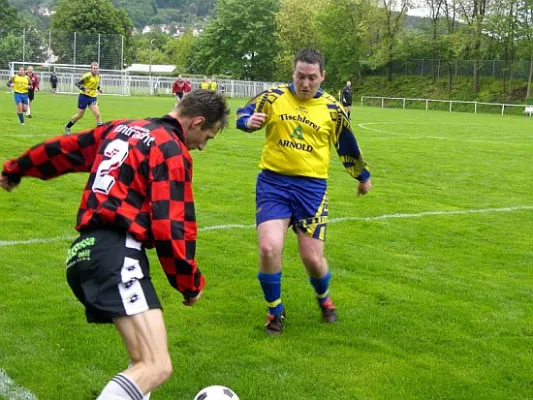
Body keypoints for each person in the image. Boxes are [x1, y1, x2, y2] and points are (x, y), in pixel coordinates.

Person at [1, 88, 230, 400]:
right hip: (117, 254)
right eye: (208, 137)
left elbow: (64, 150)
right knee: (156, 366)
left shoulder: (119, 128)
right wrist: (189, 283)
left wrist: (17, 169)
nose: (202, 146)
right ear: (197, 122)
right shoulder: (172, 150)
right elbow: (171, 226)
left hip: (84, 252)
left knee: (141, 364)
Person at [236, 49, 371, 335]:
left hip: (311, 190)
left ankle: (324, 299)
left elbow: (347, 145)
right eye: (300, 76)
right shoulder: (272, 97)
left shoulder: (333, 109)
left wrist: (362, 177)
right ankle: (275, 311)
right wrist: (248, 123)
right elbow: (243, 113)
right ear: (292, 74)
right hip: (273, 184)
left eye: (312, 77)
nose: (305, 83)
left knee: (312, 258)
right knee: (269, 247)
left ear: (322, 76)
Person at [64, 61, 104, 135]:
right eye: (94, 68)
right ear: (91, 69)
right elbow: (77, 83)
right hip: (84, 97)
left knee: (97, 114)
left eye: (97, 68)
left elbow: (95, 84)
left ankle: (101, 132)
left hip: (93, 97)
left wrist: (99, 89)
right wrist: (85, 90)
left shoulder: (98, 76)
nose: (95, 69)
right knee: (80, 115)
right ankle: (68, 126)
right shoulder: (87, 76)